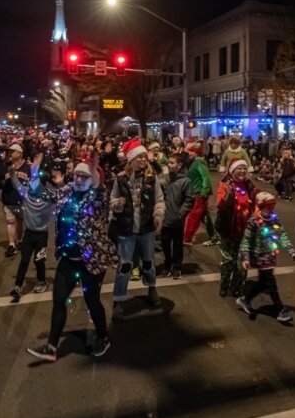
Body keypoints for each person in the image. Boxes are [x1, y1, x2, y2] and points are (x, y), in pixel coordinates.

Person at [26, 158, 118, 362]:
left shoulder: (97, 196)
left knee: (92, 301)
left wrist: (95, 177)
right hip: (68, 258)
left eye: (83, 176)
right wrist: (34, 175)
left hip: (90, 259)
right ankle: (51, 346)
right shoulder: (67, 190)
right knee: (58, 300)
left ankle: (103, 337)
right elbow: (43, 194)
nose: (78, 179)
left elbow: (101, 191)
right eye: (76, 174)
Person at [110, 138, 166, 315]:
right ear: (131, 159)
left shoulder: (151, 178)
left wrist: (158, 215)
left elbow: (159, 200)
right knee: (125, 265)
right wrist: (117, 204)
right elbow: (111, 201)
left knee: (148, 262)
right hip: (126, 228)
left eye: (144, 157)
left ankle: (151, 288)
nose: (143, 160)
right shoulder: (120, 179)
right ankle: (118, 299)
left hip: (146, 227)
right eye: (139, 157)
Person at [237, 192, 295, 323]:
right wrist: (245, 258)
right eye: (268, 205)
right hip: (259, 257)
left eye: (273, 205)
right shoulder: (254, 221)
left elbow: (281, 234)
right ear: (261, 205)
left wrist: (291, 250)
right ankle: (280, 310)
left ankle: (245, 299)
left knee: (263, 283)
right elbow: (246, 240)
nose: (271, 208)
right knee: (271, 284)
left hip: (270, 256)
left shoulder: (274, 219)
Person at [10, 153, 57, 301]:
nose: (29, 185)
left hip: (41, 234)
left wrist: (60, 183)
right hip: (28, 233)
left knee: (39, 260)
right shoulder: (27, 195)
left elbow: (62, 195)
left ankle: (42, 281)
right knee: (24, 259)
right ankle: (18, 285)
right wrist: (12, 172)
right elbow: (17, 184)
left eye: (33, 183)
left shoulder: (48, 200)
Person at [215, 159, 257, 298]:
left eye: (244, 168)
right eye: (239, 168)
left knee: (242, 262)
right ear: (232, 171)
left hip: (245, 231)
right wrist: (227, 196)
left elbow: (256, 206)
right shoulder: (225, 186)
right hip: (229, 229)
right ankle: (224, 284)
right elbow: (220, 206)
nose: (242, 171)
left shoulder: (250, 186)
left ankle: (238, 286)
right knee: (228, 260)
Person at [159, 153, 194, 279]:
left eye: (172, 163)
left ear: (179, 165)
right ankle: (168, 263)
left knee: (177, 245)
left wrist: (181, 213)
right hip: (164, 218)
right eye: (169, 162)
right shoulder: (163, 178)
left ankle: (177, 266)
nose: (169, 164)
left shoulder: (185, 181)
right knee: (165, 242)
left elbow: (189, 199)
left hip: (177, 219)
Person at [183, 141, 217, 246]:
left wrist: (204, 191)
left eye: (191, 151)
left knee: (195, 216)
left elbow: (205, 177)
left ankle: (187, 238)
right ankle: (213, 236)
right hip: (195, 193)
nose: (189, 153)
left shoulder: (199, 163)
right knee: (203, 215)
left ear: (196, 153)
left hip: (200, 193)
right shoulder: (192, 162)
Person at [1, 143, 31, 257]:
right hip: (8, 198)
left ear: (19, 153)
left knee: (20, 221)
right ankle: (11, 244)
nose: (10, 153)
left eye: (12, 151)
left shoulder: (27, 167)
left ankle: (20, 240)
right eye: (9, 151)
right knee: (10, 221)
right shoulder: (6, 165)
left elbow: (32, 181)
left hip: (22, 200)